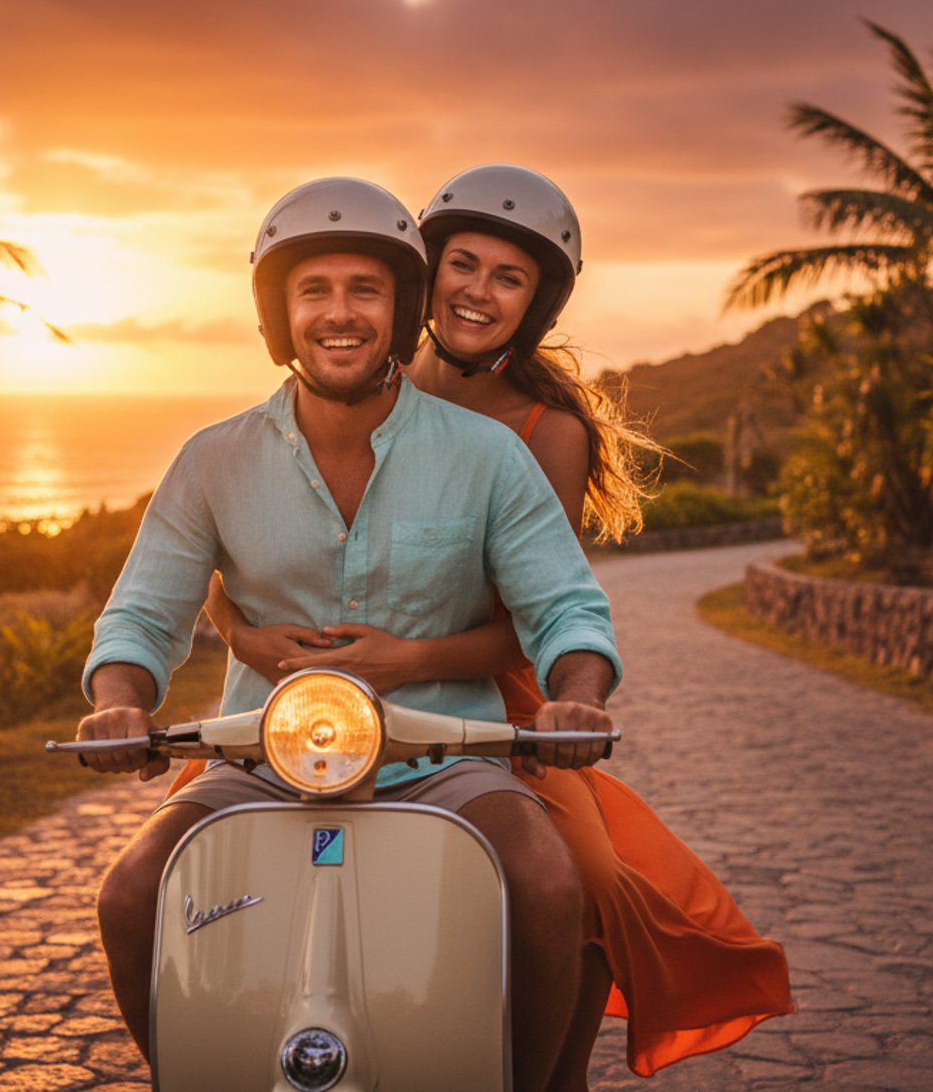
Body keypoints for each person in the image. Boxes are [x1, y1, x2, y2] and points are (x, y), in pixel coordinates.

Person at [203, 164, 794, 1083]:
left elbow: (534, 611)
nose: (478, 291)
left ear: (538, 303)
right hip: (328, 696)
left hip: (493, 691)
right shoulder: (348, 371)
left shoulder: (542, 428)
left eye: (508, 277)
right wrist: (244, 639)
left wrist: (411, 661)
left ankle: (550, 1071)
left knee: (586, 879)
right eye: (463, 265)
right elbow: (241, 554)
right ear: (420, 277)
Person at [76, 175, 623, 1092]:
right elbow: (143, 612)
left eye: (365, 290)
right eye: (314, 291)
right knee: (131, 894)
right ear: (277, 315)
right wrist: (118, 701)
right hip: (256, 761)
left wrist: (578, 691)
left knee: (549, 883)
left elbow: (563, 602)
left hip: (447, 758)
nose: (340, 314)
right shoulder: (212, 459)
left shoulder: (488, 456)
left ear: (403, 308)